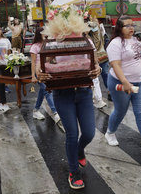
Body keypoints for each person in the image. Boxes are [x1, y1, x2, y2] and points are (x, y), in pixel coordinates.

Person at [37, 34, 101, 190]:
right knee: (72, 134)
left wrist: (97, 69)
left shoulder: (86, 40)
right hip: (62, 93)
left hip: (84, 92)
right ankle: (74, 171)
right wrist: (39, 73)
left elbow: (96, 63)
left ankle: (79, 150)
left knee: (89, 133)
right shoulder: (55, 42)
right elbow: (40, 65)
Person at [105, 15, 141, 156]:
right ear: (119, 27)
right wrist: (125, 82)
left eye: (132, 25)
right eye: (127, 25)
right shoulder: (115, 43)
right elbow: (115, 65)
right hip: (120, 82)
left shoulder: (136, 40)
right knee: (120, 111)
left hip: (140, 81)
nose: (131, 28)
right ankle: (110, 133)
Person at [30, 27, 60, 123]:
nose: (47, 35)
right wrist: (33, 76)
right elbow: (33, 62)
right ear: (39, 34)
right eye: (44, 33)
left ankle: (36, 110)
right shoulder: (35, 46)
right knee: (47, 90)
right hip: (38, 71)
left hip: (48, 70)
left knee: (43, 91)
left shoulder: (49, 44)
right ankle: (55, 113)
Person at [88, 17, 110, 108]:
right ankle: (95, 98)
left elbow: (105, 39)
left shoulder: (100, 31)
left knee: (104, 74)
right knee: (94, 78)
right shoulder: (87, 36)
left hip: (101, 55)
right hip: (92, 57)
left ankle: (107, 93)